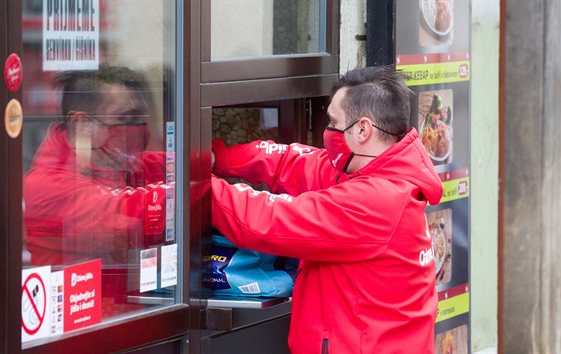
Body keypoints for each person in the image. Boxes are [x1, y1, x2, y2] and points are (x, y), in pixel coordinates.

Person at [211, 65, 443, 354]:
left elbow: (268, 221)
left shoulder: (377, 200)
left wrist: (195, 187)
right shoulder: (372, 171)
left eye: (334, 122)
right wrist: (214, 157)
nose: (328, 132)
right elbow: (291, 162)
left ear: (362, 129)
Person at [24, 65, 169, 301]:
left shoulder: (118, 163)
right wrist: (204, 190)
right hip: (80, 325)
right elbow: (131, 212)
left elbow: (175, 164)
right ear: (83, 124)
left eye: (143, 119)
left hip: (133, 318)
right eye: (127, 119)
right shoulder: (48, 185)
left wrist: (220, 159)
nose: (142, 130)